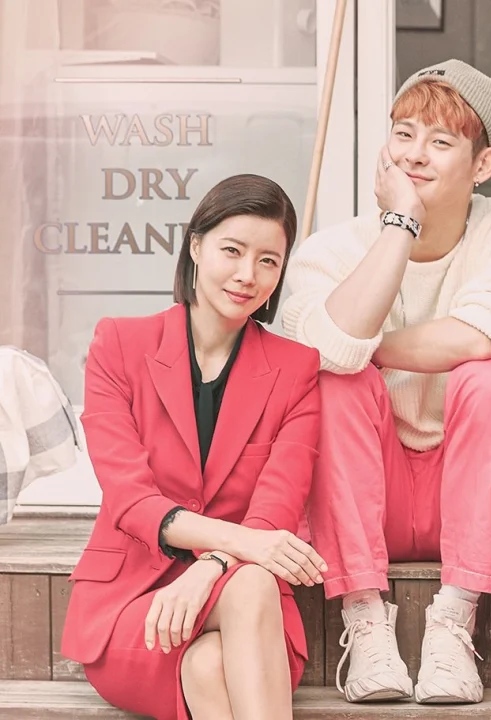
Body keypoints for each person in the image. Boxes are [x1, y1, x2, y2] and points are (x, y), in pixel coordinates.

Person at [278, 59, 491, 704]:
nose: (415, 155)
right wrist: (400, 221)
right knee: (335, 386)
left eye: (441, 140)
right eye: (403, 134)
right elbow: (319, 357)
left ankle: (454, 621)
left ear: (483, 164)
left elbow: (482, 335)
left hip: (471, 491)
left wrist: (361, 348)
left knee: (490, 379)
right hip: (371, 495)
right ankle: (365, 622)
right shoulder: (330, 250)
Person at [60, 174, 322, 720]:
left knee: (212, 657)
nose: (248, 275)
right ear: (196, 247)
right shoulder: (119, 344)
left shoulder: (296, 369)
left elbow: (276, 505)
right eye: (233, 250)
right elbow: (131, 501)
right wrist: (237, 546)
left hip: (248, 616)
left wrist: (212, 567)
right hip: (134, 610)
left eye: (268, 261)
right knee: (246, 590)